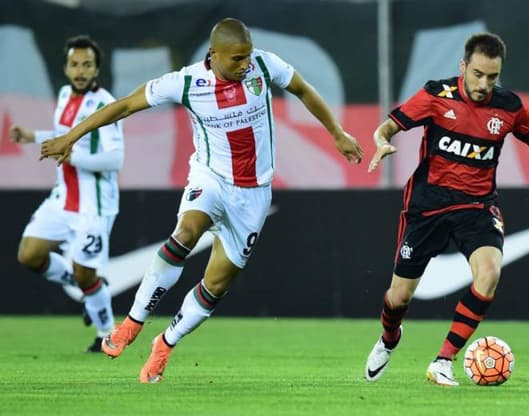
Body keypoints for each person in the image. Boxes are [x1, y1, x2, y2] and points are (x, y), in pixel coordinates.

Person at [40, 18, 362, 383]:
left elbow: (302, 89)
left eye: (247, 56)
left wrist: (337, 133)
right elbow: (126, 105)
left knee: (217, 285)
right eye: (237, 59)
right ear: (214, 54)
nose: (245, 64)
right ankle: (132, 322)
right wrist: (72, 137)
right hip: (210, 178)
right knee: (186, 232)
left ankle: (165, 343)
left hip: (254, 193)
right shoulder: (187, 82)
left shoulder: (264, 64)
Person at [364, 33, 529, 385]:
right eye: (477, 74)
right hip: (427, 206)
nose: (484, 84)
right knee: (398, 297)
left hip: (477, 205)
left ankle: (443, 360)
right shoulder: (435, 96)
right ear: (463, 66)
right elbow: (387, 127)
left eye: (492, 76)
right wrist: (382, 142)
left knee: (489, 273)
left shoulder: (510, 107)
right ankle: (389, 338)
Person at [12, 35, 123, 352]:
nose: (80, 70)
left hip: (94, 206)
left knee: (86, 274)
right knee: (30, 254)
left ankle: (106, 336)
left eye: (87, 64)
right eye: (75, 64)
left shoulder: (106, 105)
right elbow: (63, 138)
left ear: (97, 69)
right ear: (66, 67)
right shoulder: (64, 95)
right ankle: (91, 288)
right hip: (63, 198)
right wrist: (34, 136)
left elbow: (115, 159)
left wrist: (73, 157)